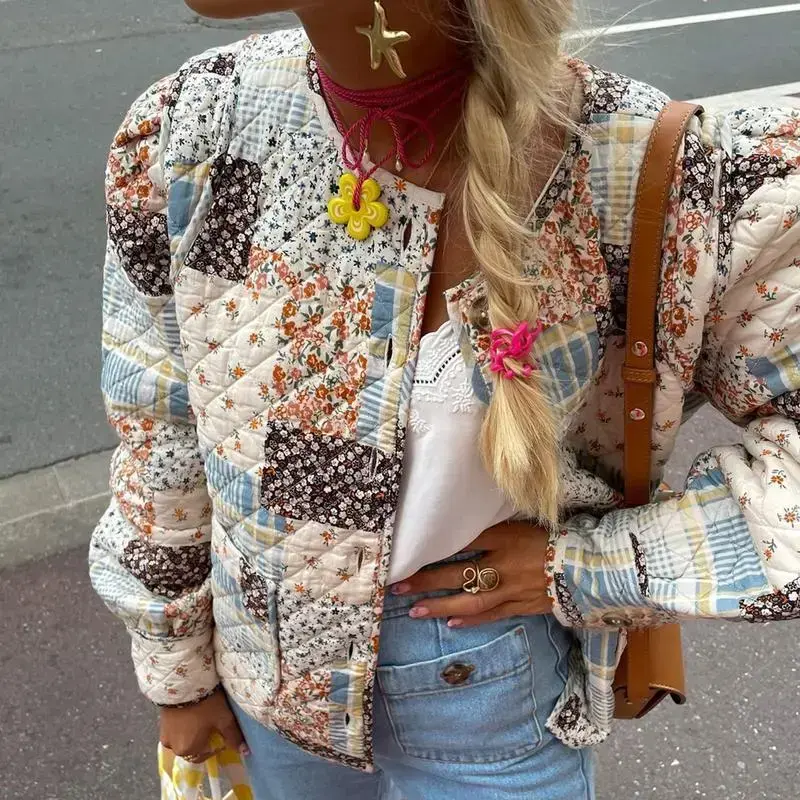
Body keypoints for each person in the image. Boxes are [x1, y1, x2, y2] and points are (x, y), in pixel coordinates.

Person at [88, 0, 800, 796]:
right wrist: (176, 669)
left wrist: (591, 566)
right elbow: (161, 431)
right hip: (266, 675)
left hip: (487, 687)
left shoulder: (644, 168)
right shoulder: (199, 125)